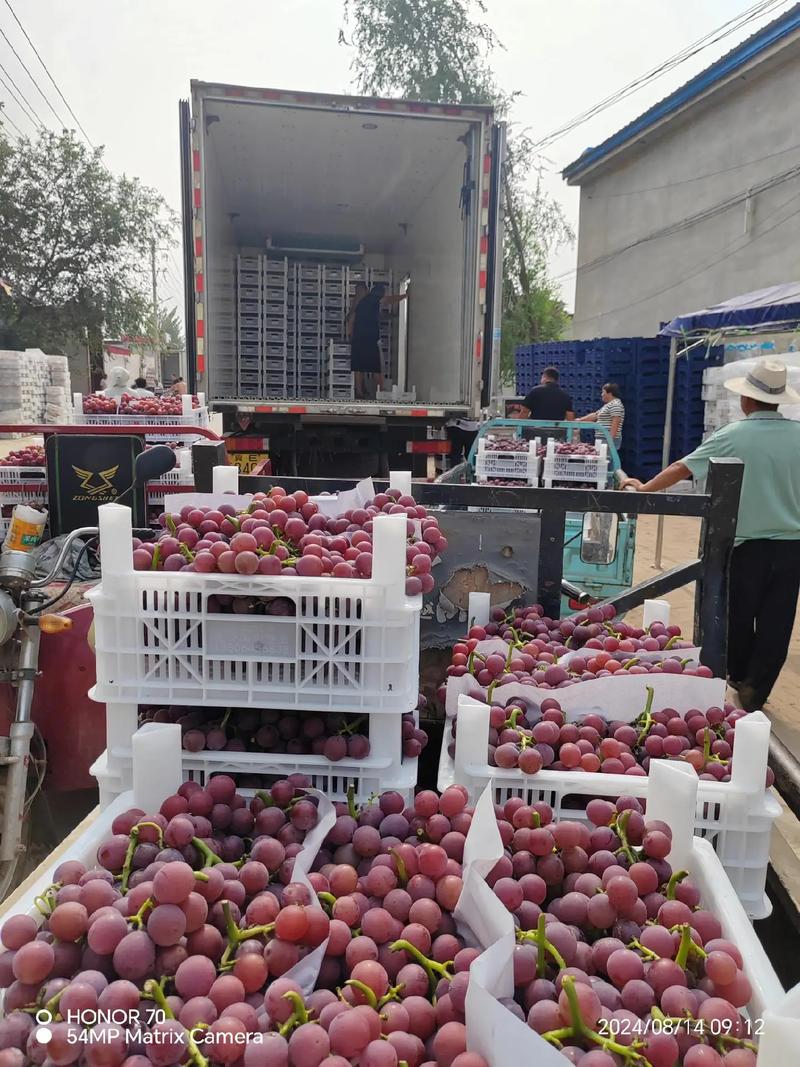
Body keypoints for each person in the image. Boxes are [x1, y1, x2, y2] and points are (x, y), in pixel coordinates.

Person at [621, 358, 800, 712]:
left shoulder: (733, 436)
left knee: (737, 613)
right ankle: (756, 689)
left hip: (748, 545)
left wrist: (645, 490)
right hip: (792, 547)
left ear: (746, 402)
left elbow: (680, 468)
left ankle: (738, 675)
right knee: (777, 621)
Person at [349, 282, 407, 399]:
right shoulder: (372, 298)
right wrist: (405, 296)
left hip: (358, 337)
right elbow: (388, 300)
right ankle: (381, 390)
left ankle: (359, 392)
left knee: (358, 366)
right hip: (369, 338)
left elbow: (372, 316)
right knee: (375, 365)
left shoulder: (362, 303)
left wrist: (350, 335)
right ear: (379, 292)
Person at [578, 382, 625, 449]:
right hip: (603, 439)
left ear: (609, 393)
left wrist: (610, 441)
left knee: (607, 458)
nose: (601, 394)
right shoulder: (608, 405)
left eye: (603, 392)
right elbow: (595, 415)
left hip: (608, 439)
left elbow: (616, 423)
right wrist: (580, 420)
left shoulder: (615, 404)